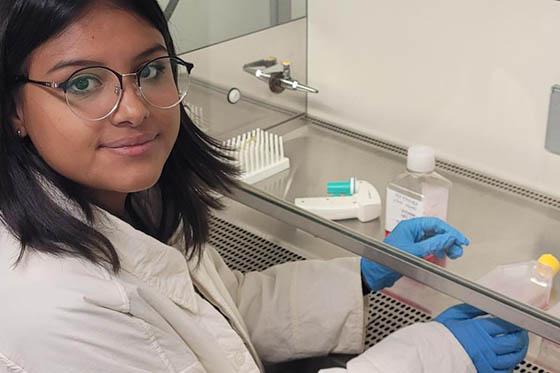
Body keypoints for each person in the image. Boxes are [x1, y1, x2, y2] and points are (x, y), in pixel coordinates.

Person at [0, 1, 528, 372]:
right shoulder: (54, 309)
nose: (135, 109)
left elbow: (222, 312)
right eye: (82, 83)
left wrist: (362, 275)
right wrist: (434, 356)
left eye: (150, 70)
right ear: (15, 109)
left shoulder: (136, 199)